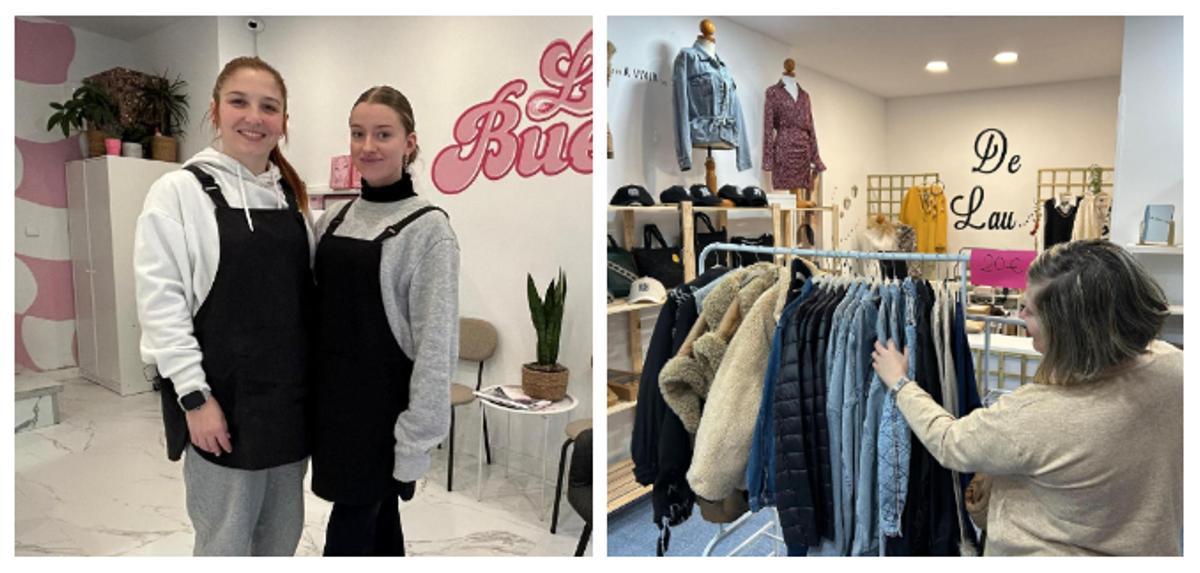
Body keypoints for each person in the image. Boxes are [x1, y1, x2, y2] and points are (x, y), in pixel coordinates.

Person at [871, 239, 1182, 555]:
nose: (1019, 315)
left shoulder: (1039, 414)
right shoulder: (1175, 368)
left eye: (1029, 310)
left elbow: (950, 442)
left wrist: (900, 383)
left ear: (1067, 330)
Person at [134, 56, 315, 556]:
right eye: (239, 102)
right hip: (222, 407)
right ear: (215, 111)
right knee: (224, 541)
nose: (254, 117)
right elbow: (161, 305)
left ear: (283, 120)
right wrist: (194, 397)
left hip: (288, 408)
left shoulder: (293, 200)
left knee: (281, 537)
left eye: (269, 106)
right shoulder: (178, 192)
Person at [311, 85, 460, 556]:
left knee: (349, 532)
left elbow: (436, 348)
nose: (367, 147)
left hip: (381, 419)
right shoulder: (330, 221)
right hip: (330, 409)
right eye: (358, 134)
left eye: (382, 134)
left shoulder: (429, 230)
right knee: (378, 525)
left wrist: (415, 443)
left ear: (409, 143)